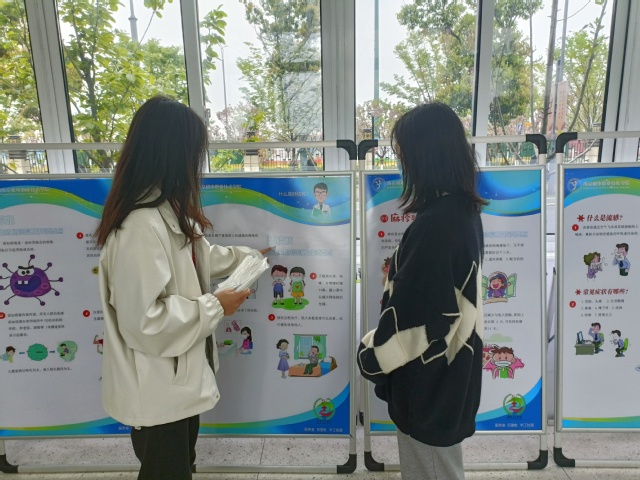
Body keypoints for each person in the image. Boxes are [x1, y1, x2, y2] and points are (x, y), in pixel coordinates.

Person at [95, 96, 270, 480]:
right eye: (194, 153)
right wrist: (217, 305)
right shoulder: (140, 226)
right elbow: (144, 321)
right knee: (167, 470)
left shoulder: (164, 211)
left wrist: (248, 258)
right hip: (158, 390)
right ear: (172, 154)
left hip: (177, 382)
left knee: (179, 466)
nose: (197, 165)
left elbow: (199, 257)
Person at [357, 102, 487, 480]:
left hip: (430, 379)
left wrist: (372, 354)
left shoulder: (437, 225)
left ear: (424, 156)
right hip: (450, 372)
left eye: (404, 155)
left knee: (431, 469)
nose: (403, 164)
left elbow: (421, 318)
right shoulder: (461, 211)